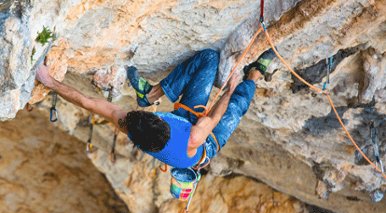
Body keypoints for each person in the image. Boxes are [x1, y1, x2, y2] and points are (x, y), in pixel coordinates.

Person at [35, 48, 275, 169]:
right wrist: (232, 88)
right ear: (163, 123)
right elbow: (216, 115)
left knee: (209, 58)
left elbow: (88, 103)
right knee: (236, 106)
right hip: (207, 142)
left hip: (183, 119)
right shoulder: (195, 137)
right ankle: (256, 73)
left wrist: (49, 82)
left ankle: (150, 95)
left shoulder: (132, 128)